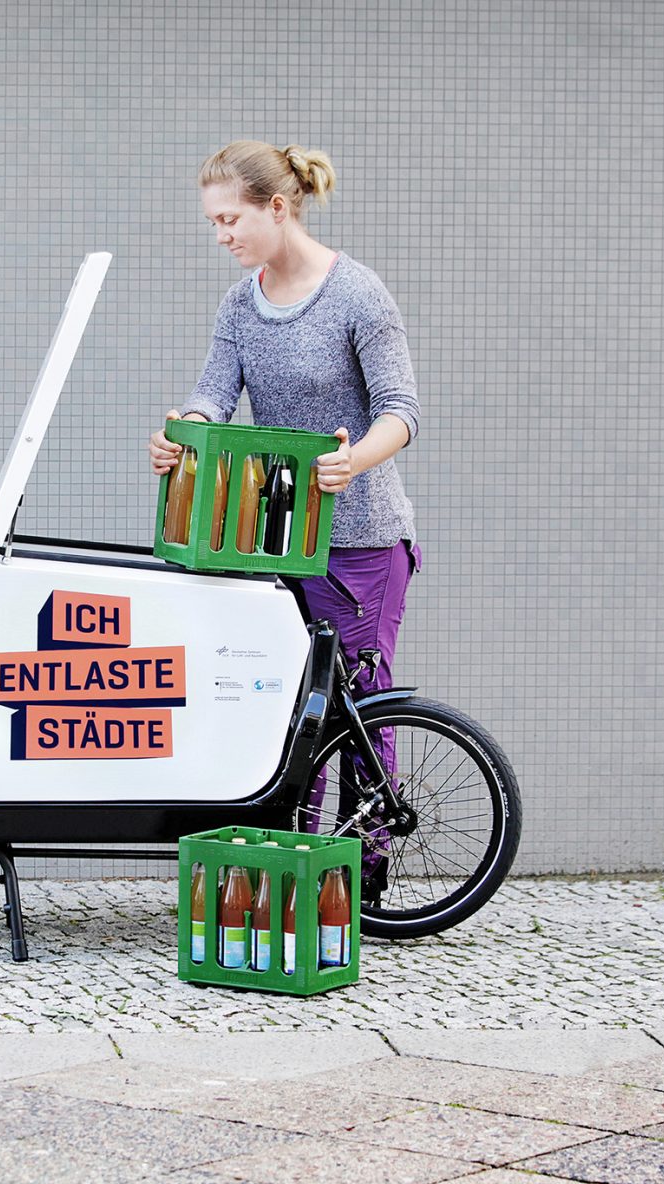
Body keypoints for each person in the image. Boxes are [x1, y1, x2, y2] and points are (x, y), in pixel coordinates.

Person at [151, 140, 420, 895]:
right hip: (275, 536)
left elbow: (403, 411)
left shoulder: (359, 294)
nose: (222, 236)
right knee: (279, 702)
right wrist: (181, 431)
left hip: (361, 539)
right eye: (213, 222)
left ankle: (360, 873)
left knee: (361, 707)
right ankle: (293, 868)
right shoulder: (240, 304)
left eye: (230, 218)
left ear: (278, 207)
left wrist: (353, 459)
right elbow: (214, 392)